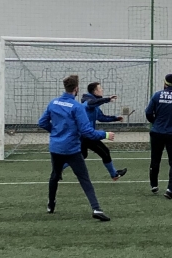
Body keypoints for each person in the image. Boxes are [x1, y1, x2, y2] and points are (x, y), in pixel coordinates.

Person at [38, 75, 114, 221]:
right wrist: (105, 134)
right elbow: (87, 132)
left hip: (55, 148)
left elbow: (42, 122)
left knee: (55, 175)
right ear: (76, 89)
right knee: (84, 179)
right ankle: (96, 209)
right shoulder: (77, 107)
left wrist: (55, 132)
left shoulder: (53, 102)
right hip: (72, 149)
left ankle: (51, 204)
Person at [63, 81, 126, 181]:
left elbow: (101, 117)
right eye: (100, 88)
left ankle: (58, 169)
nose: (102, 90)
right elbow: (91, 104)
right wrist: (108, 99)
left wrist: (115, 118)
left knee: (82, 155)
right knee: (105, 152)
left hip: (85, 134)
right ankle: (114, 174)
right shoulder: (88, 101)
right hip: (86, 135)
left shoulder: (94, 105)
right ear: (94, 91)